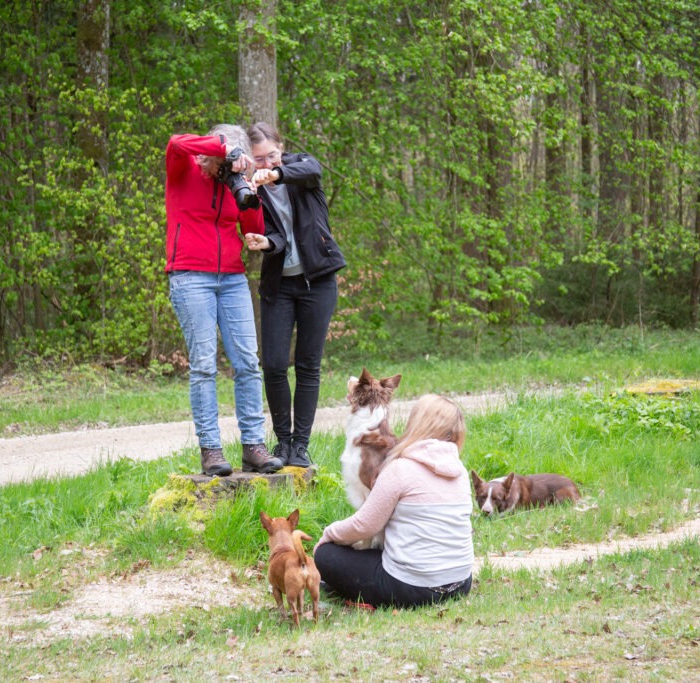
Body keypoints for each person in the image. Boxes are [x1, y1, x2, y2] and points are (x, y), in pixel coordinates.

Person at [164, 124, 284, 477]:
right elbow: (175, 142)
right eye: (223, 159)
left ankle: (253, 446)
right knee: (203, 364)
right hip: (189, 275)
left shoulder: (233, 182)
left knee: (247, 361)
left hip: (231, 277)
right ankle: (211, 450)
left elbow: (251, 224)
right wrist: (220, 148)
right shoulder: (184, 169)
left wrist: (245, 185)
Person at [243, 122, 347, 468]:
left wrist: (277, 173)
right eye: (258, 159)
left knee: (307, 366)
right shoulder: (251, 189)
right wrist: (266, 242)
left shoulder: (301, 170)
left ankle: (300, 446)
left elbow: (311, 168)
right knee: (273, 364)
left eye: (271, 155)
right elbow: (276, 236)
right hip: (279, 285)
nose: (265, 163)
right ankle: (283, 442)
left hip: (317, 281)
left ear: (281, 148)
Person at [313, 394, 473, 609]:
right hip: (460, 583)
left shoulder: (401, 468)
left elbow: (364, 525)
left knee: (326, 555)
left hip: (412, 588)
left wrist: (329, 534)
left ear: (417, 423)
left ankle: (347, 587)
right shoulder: (459, 471)